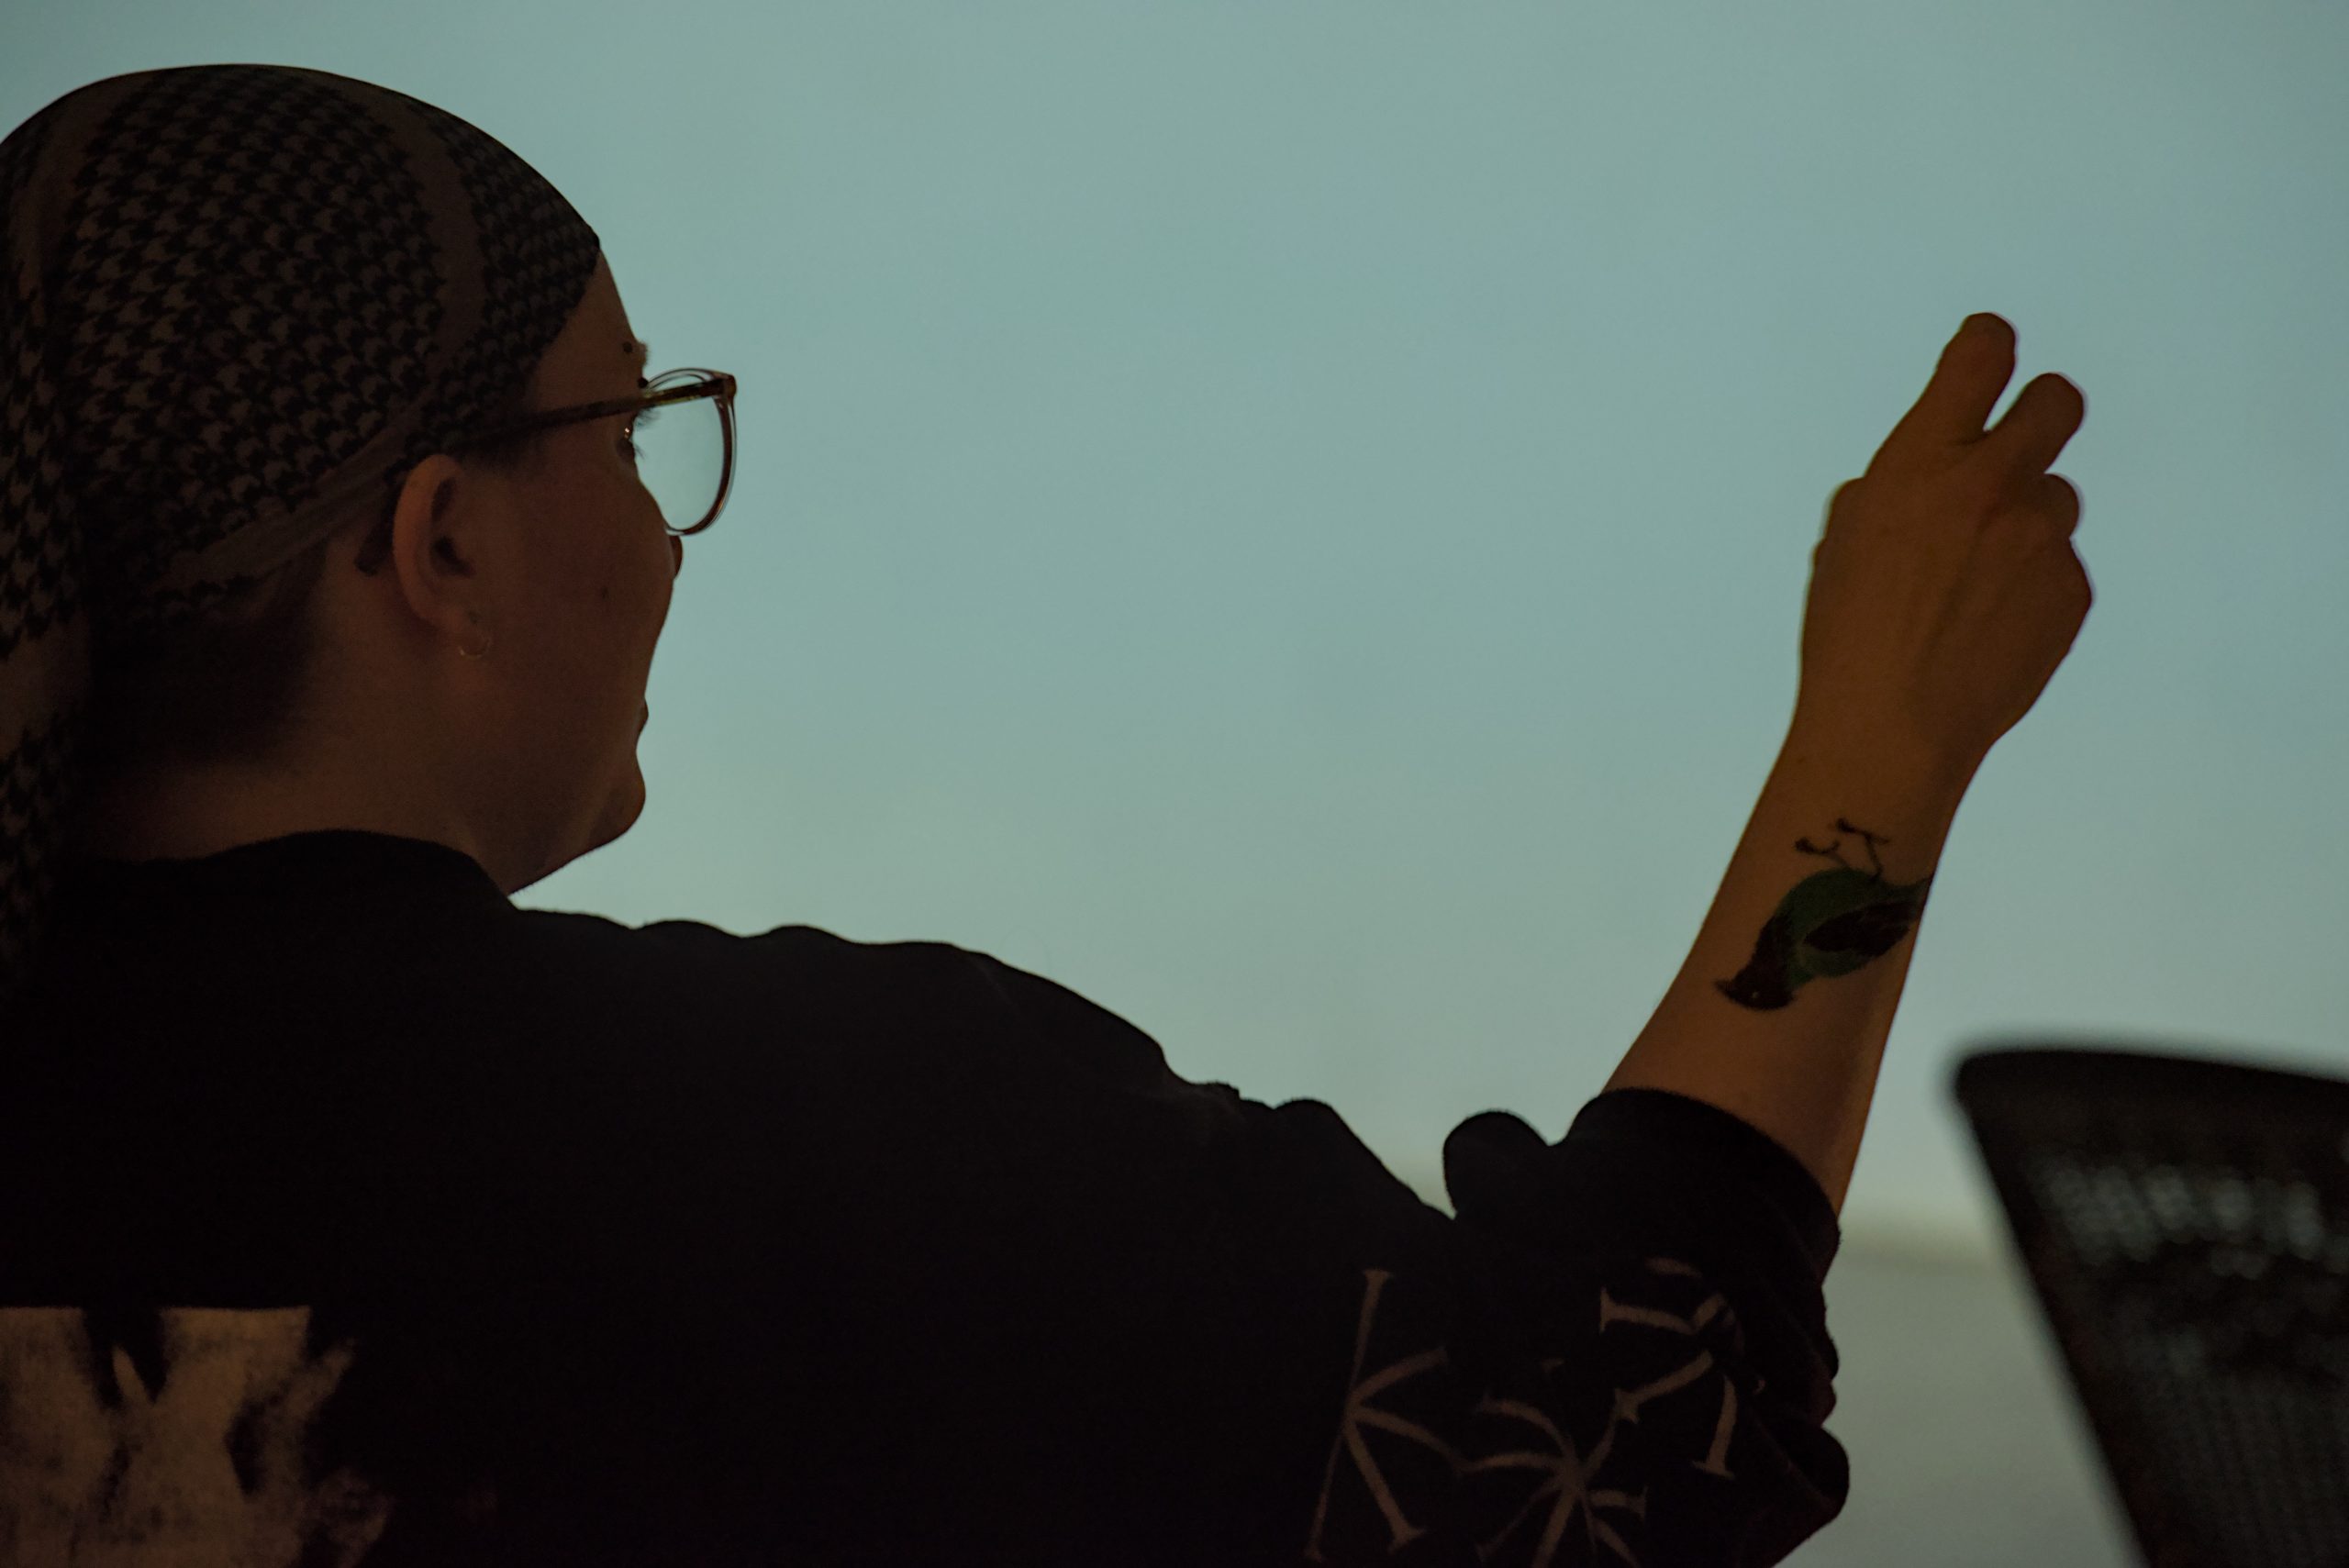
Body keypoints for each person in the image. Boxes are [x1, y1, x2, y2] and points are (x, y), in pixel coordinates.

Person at [0, 60, 2092, 1568]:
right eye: (627, 431)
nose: (660, 537)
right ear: (442, 544)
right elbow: (1619, 1433)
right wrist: (1880, 741)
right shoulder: (818, 1144)